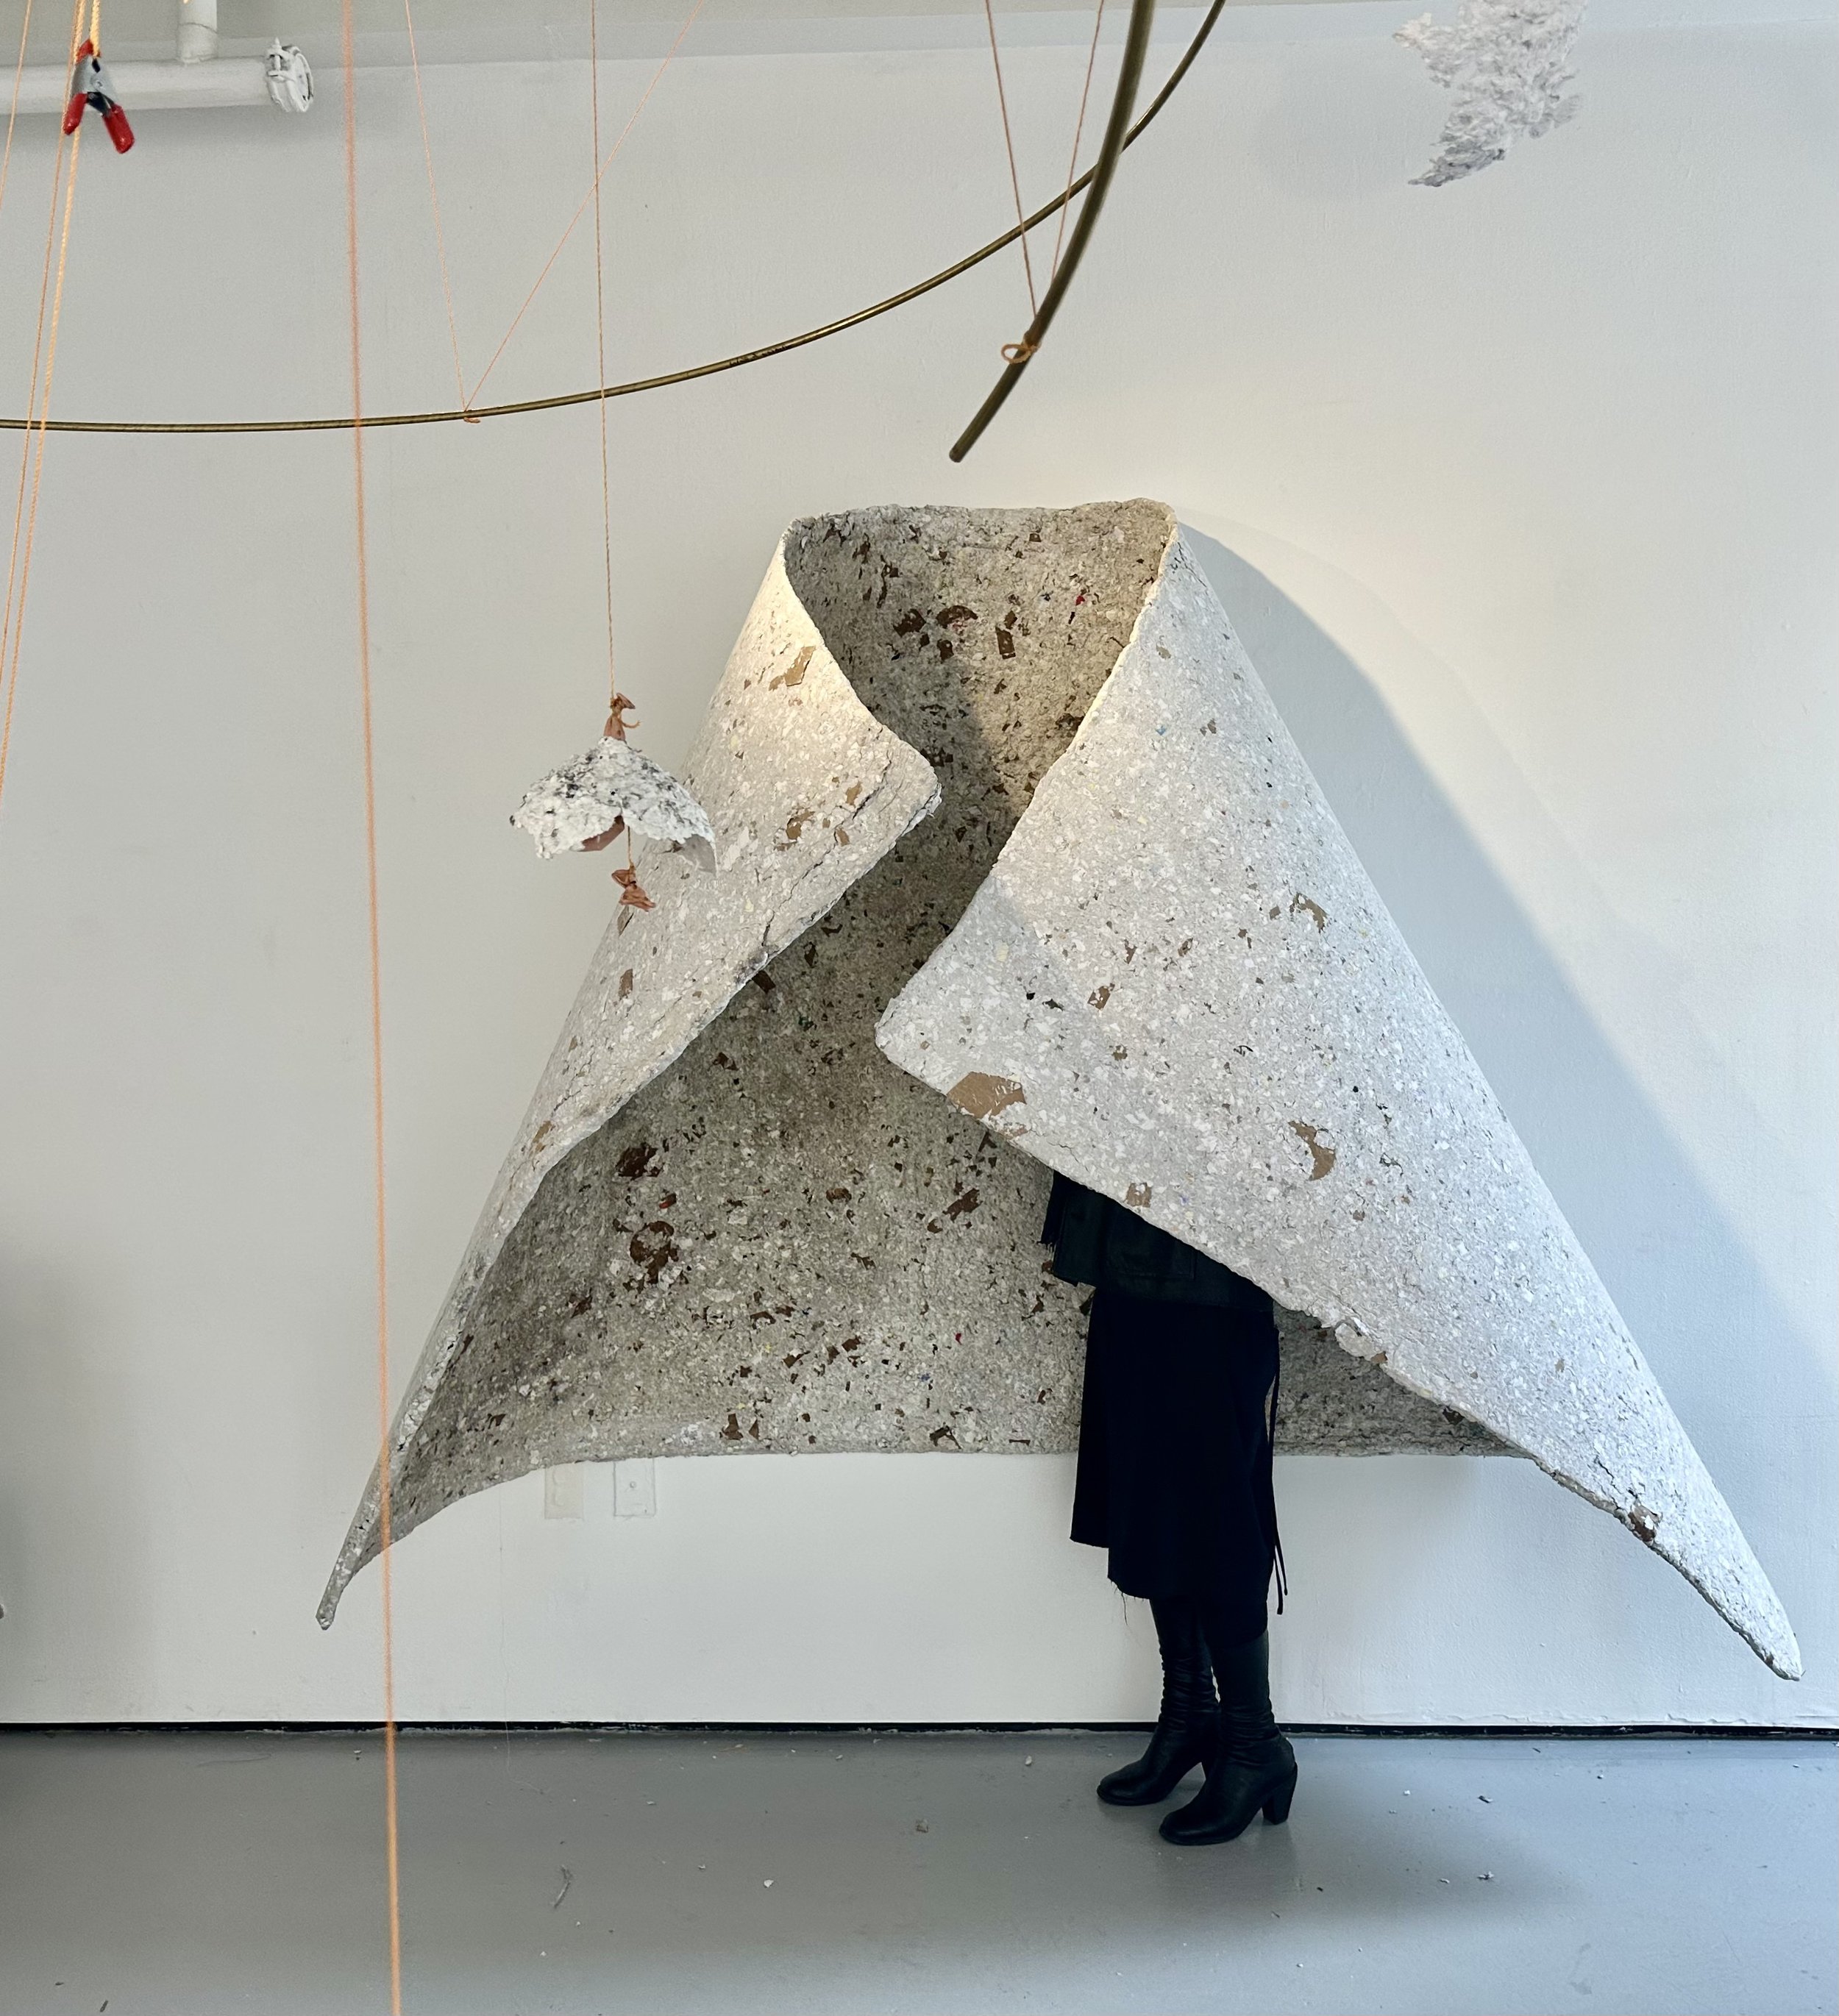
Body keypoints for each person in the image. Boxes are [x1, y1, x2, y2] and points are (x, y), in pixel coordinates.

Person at [1043, 1173, 1295, 1846]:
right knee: (1152, 1502)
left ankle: (1254, 1742)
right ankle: (1189, 1714)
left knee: (1214, 1516)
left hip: (1210, 1262)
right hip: (1132, 1249)